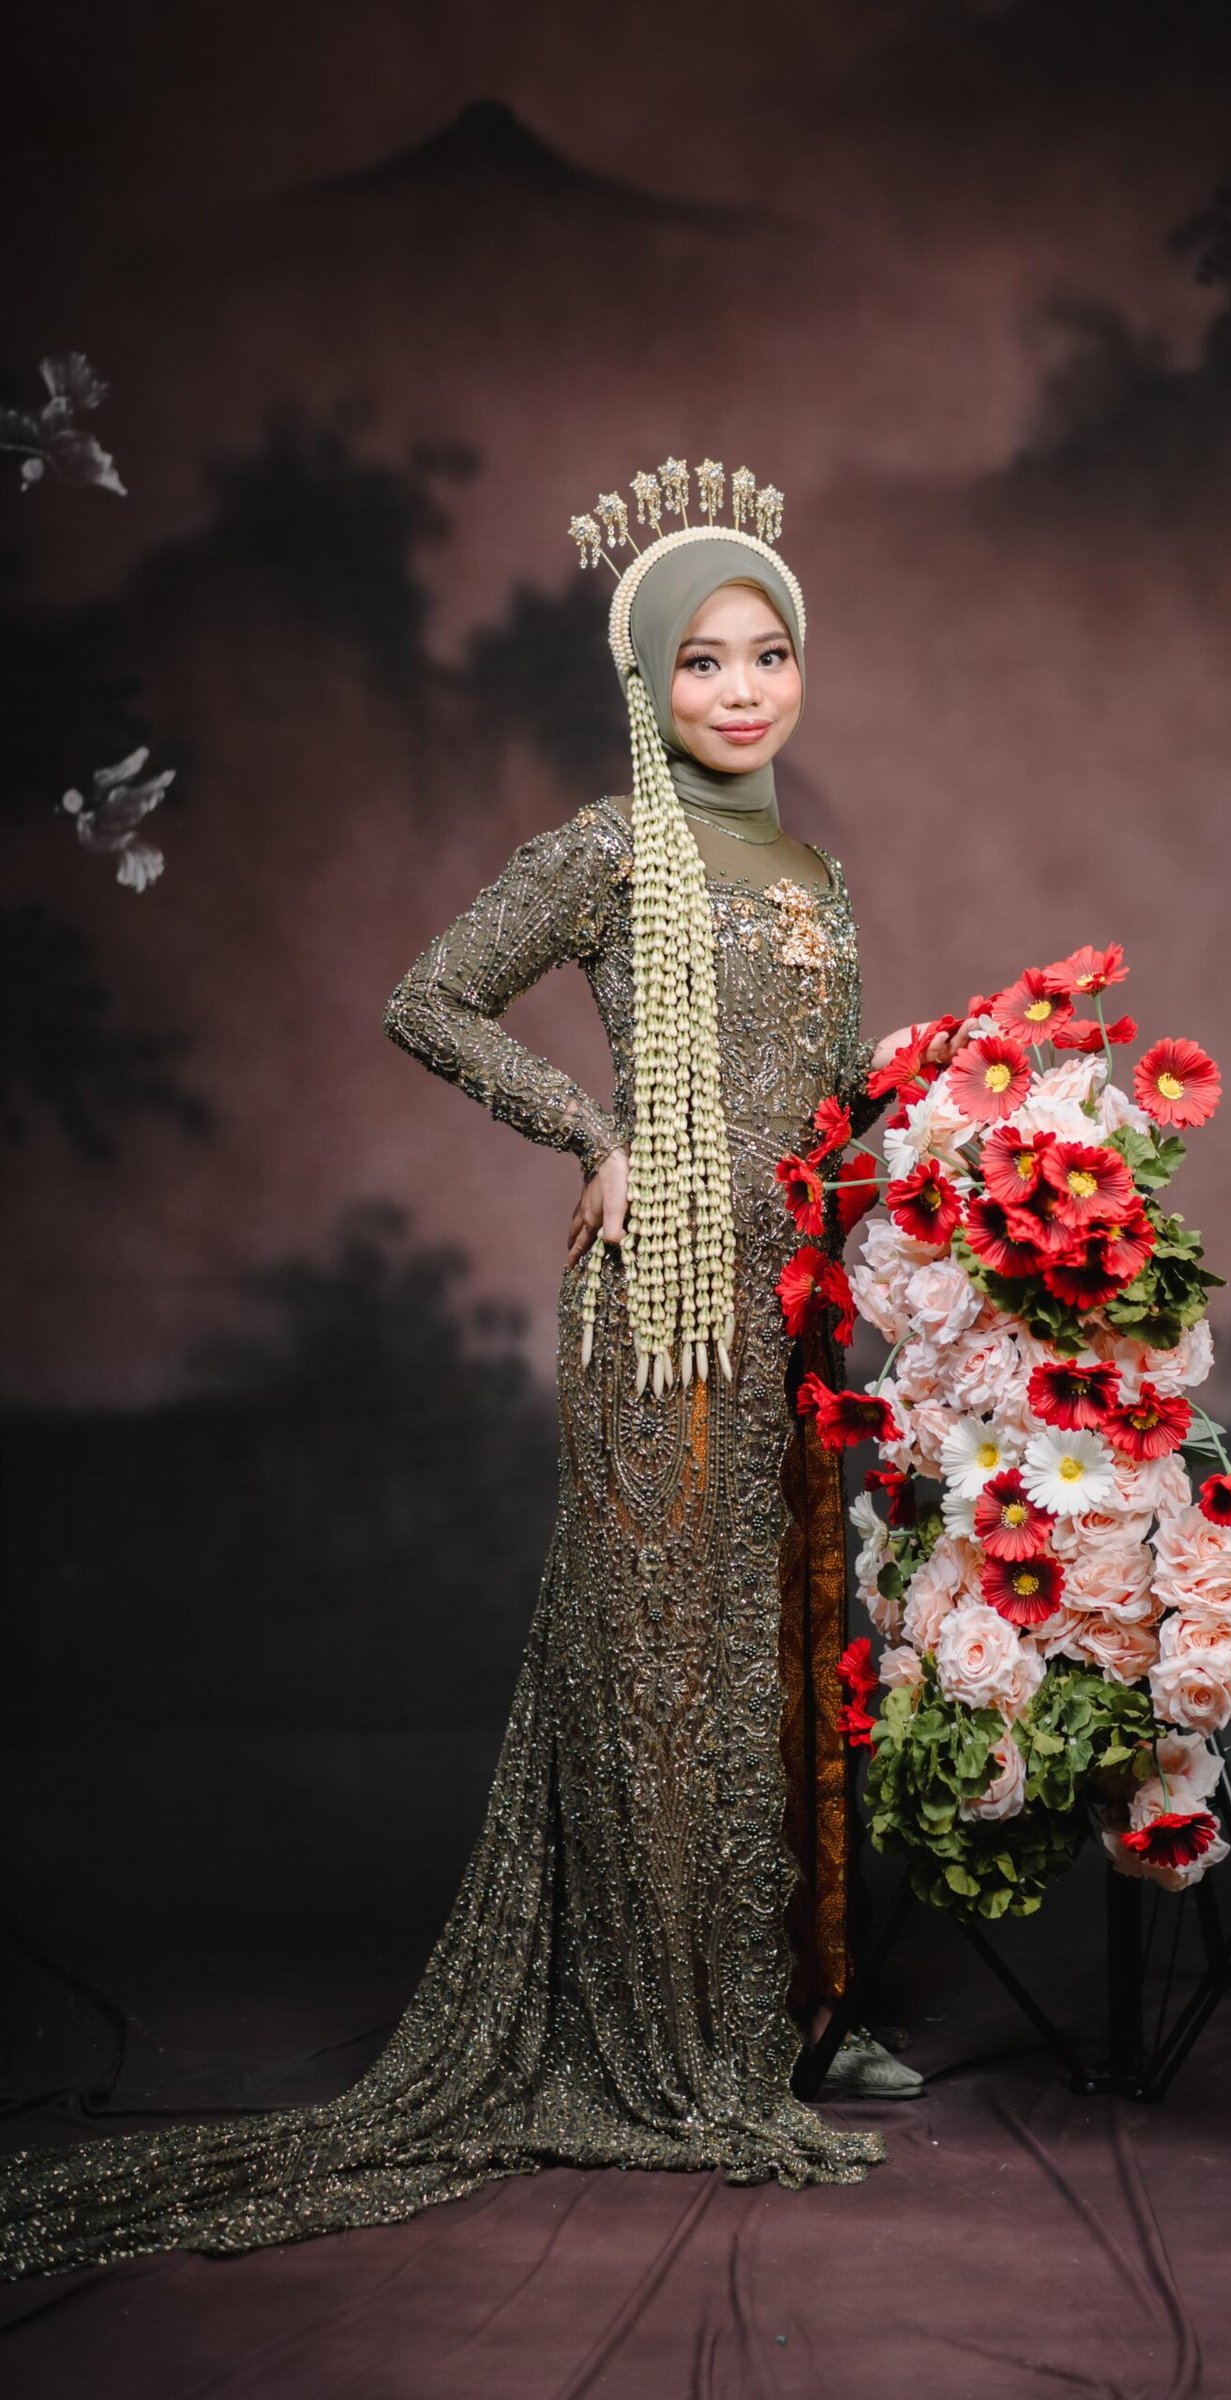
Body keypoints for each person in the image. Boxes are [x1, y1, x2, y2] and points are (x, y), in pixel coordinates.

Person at [0, 460, 967, 2280]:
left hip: (799, 1315)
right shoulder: (607, 851)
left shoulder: (816, 874)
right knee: (660, 1667)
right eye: (701, 662)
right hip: (661, 1318)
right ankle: (671, 2045)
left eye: (769, 654)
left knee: (780, 1662)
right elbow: (426, 996)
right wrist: (592, 1132)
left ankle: (788, 2013)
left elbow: (835, 1102)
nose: (742, 690)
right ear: (645, 681)